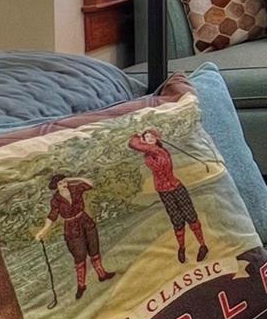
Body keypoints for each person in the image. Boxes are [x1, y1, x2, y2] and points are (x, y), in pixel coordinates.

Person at [128, 128, 208, 263]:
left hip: (177, 188)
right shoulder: (148, 153)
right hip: (164, 191)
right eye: (147, 137)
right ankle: (181, 248)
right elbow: (134, 144)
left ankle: (203, 245)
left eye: (152, 137)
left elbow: (134, 144)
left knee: (191, 217)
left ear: (157, 139)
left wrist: (137, 136)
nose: (149, 139)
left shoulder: (158, 151)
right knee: (177, 221)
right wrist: (138, 136)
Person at [33, 173, 113, 299]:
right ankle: (81, 285)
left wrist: (74, 179)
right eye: (60, 184)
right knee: (79, 255)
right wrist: (43, 230)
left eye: (65, 182)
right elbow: (52, 216)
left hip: (85, 221)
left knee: (94, 249)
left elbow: (90, 184)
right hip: (71, 228)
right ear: (56, 186)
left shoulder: (75, 188)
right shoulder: (56, 200)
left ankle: (102, 274)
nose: (64, 185)